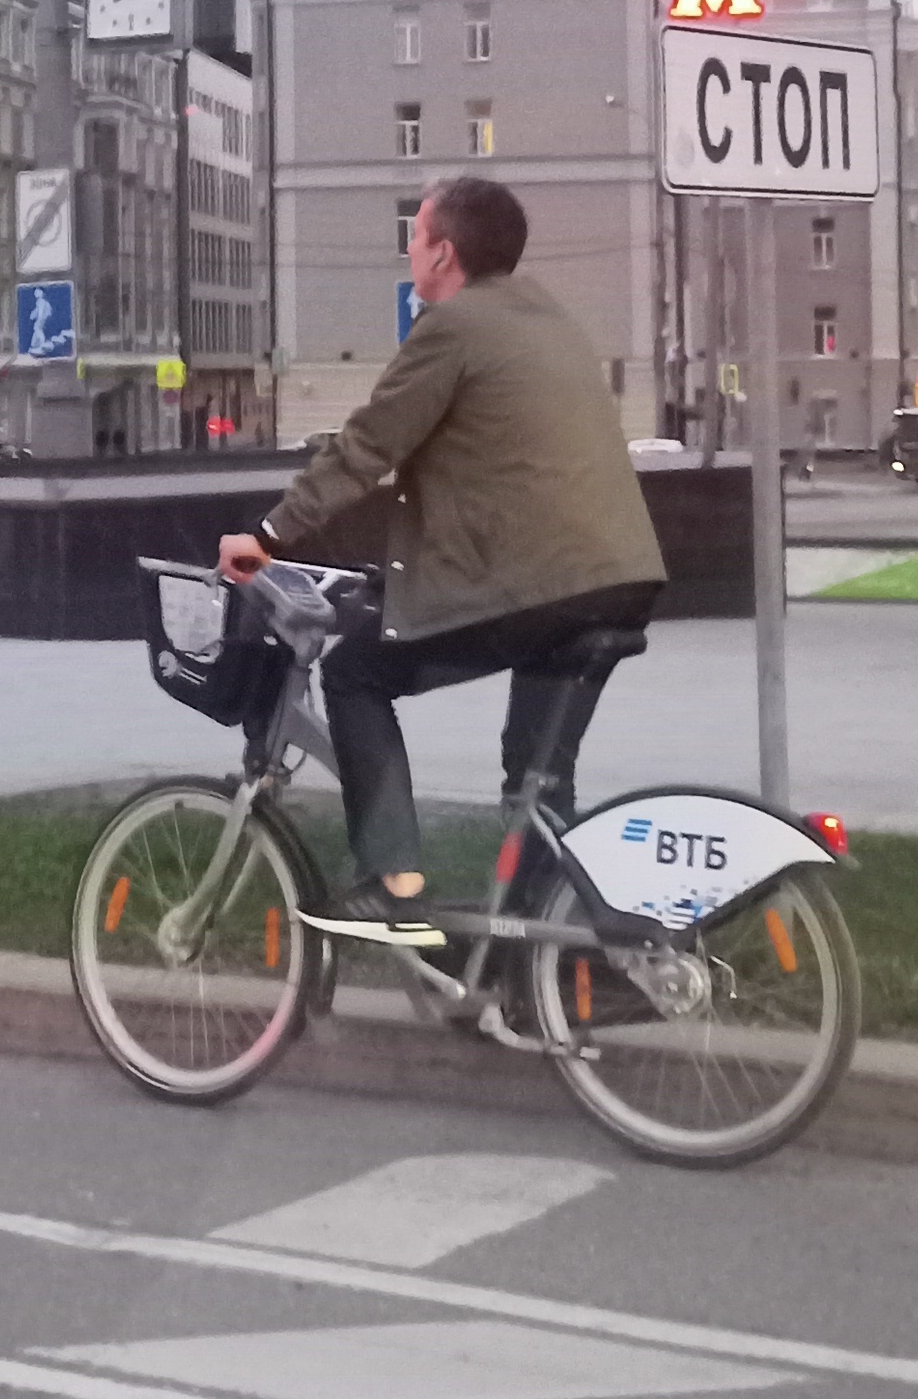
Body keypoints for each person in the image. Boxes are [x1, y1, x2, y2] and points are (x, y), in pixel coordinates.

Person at [220, 173, 662, 936]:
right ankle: (540, 963)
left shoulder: (452, 327)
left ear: (444, 254)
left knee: (354, 670)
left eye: (416, 234)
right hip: (620, 578)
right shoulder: (549, 318)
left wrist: (265, 538)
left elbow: (367, 448)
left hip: (543, 585)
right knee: (538, 780)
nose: (410, 249)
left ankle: (394, 880)